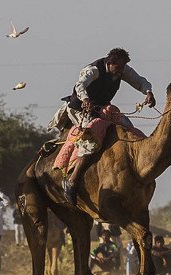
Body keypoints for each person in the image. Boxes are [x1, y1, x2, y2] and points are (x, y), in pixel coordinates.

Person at [56, 48, 156, 204]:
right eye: (119, 67)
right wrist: (85, 99)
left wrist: (148, 92)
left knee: (126, 126)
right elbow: (80, 85)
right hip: (79, 109)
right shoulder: (93, 70)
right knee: (92, 136)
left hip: (101, 108)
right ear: (110, 63)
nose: (121, 70)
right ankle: (72, 181)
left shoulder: (122, 70)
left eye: (123, 67)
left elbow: (139, 81)